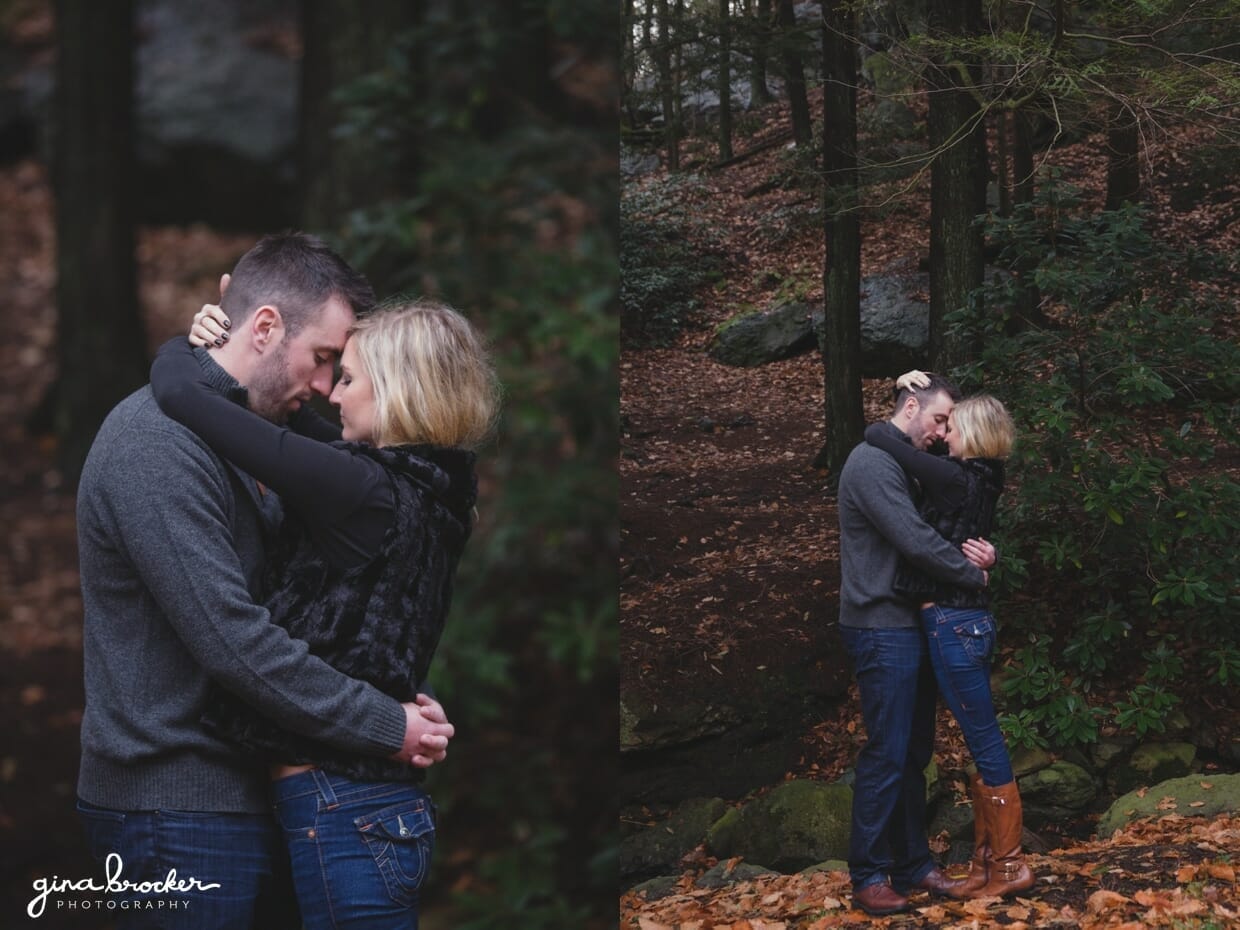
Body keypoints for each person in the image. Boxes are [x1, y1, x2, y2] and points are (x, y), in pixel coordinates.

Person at [76, 233, 454, 929]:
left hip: (251, 795)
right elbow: (234, 641)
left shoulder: (253, 440)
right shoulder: (154, 446)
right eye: (322, 359)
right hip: (176, 809)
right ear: (266, 326)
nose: (324, 388)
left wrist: (381, 680)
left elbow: (305, 611)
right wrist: (383, 722)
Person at [149, 290, 499, 928]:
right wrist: (227, 331)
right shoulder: (439, 488)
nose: (330, 395)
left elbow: (183, 398)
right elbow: (286, 418)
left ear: (396, 391)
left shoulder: (357, 489)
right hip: (366, 804)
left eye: (348, 379)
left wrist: (186, 345)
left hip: (344, 806)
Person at [865, 372, 1032, 899]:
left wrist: (903, 403)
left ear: (974, 434)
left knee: (982, 737)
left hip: (955, 621)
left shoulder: (957, 477)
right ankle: (989, 863)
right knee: (979, 736)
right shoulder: (978, 479)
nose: (942, 434)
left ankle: (1008, 865)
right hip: (962, 620)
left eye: (951, 426)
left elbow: (877, 436)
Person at [836, 370, 996, 916]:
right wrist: (970, 575)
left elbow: (948, 521)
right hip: (880, 625)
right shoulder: (872, 464)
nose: (942, 431)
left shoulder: (900, 461)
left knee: (913, 753)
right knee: (887, 751)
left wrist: (980, 553)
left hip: (910, 623)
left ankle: (912, 866)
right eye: (938, 419)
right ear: (910, 409)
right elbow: (914, 538)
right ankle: (869, 874)